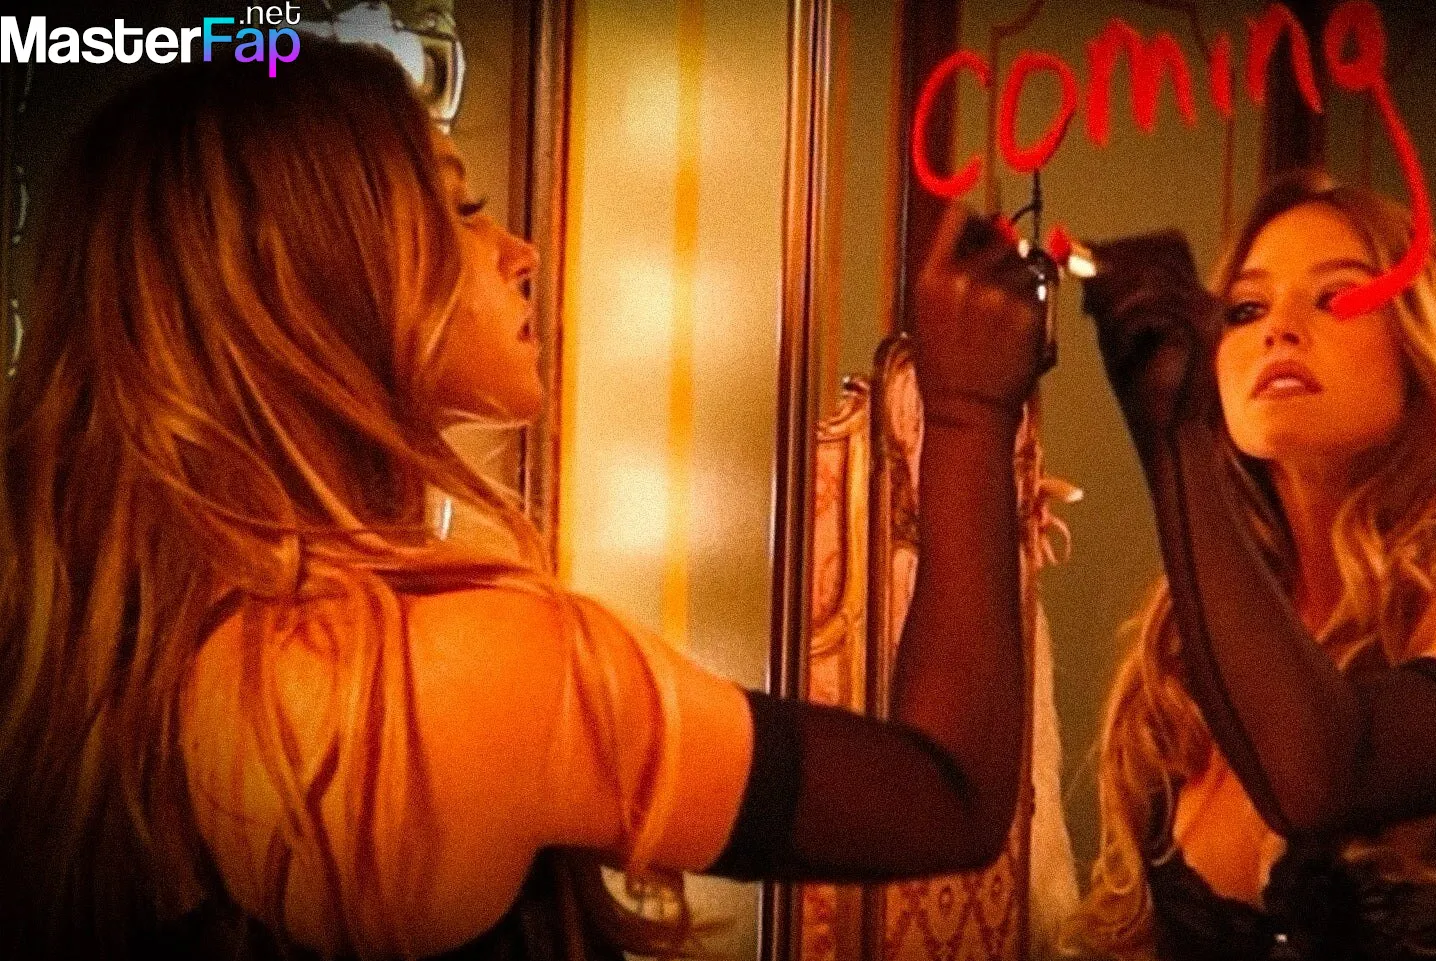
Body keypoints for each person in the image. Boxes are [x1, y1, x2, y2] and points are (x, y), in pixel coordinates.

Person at [0, 40, 1050, 961]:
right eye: (461, 208)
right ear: (325, 275)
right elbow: (945, 799)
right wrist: (967, 409)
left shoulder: (83, 672)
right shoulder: (470, 679)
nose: (520, 252)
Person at [1066, 172, 1436, 961]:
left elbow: (1330, 772)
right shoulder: (1183, 662)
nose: (1280, 329)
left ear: (1431, 349)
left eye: (1336, 297)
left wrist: (1174, 438)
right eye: (1245, 309)